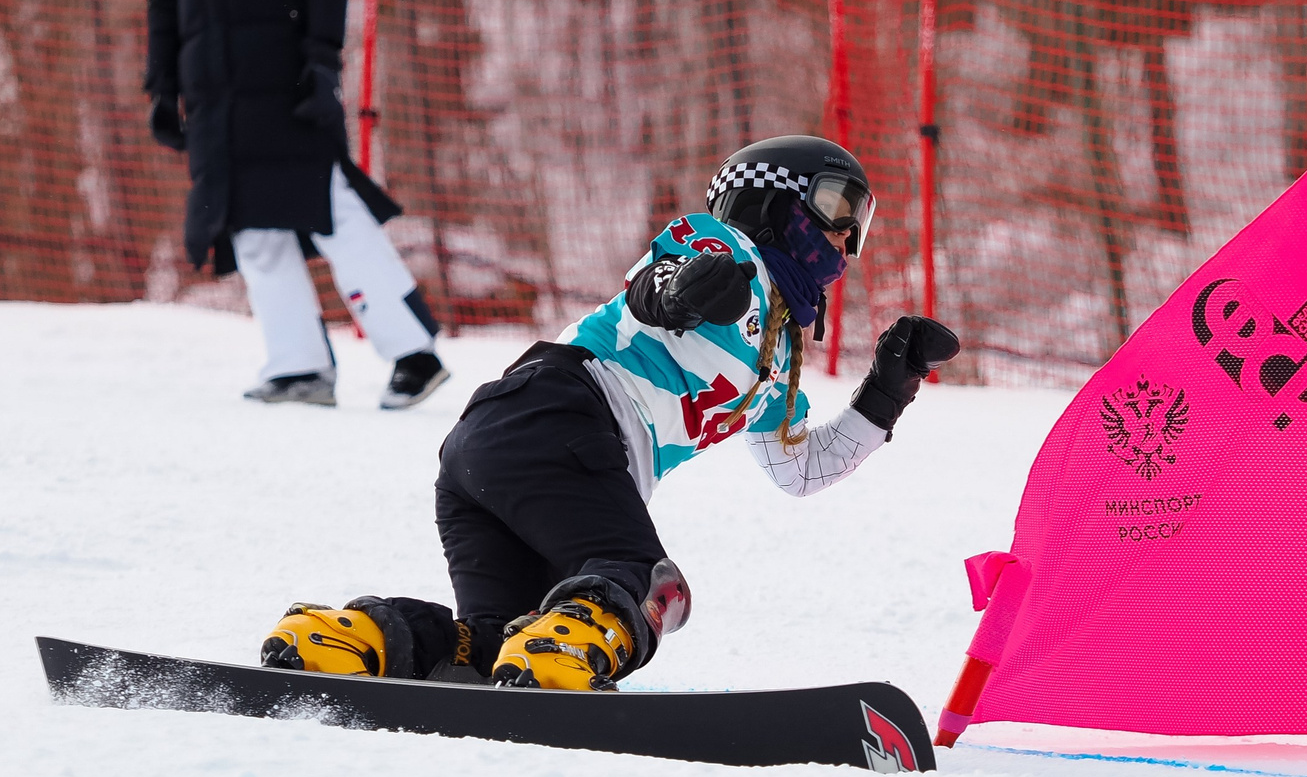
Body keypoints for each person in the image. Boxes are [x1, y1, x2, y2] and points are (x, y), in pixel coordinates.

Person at [258, 135, 961, 689]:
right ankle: (561, 657)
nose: (847, 237)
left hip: (494, 446)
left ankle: (350, 640)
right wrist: (682, 291)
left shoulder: (776, 360)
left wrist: (888, 389)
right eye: (836, 207)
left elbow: (801, 470)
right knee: (653, 587)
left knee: (497, 642)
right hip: (560, 415)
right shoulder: (731, 251)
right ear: (771, 202)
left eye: (859, 222)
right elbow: (656, 283)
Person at [146, 0, 449, 411]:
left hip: (284, 79)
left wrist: (320, 59)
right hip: (214, 94)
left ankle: (414, 354)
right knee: (250, 229)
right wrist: (161, 84)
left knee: (330, 208)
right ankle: (299, 367)